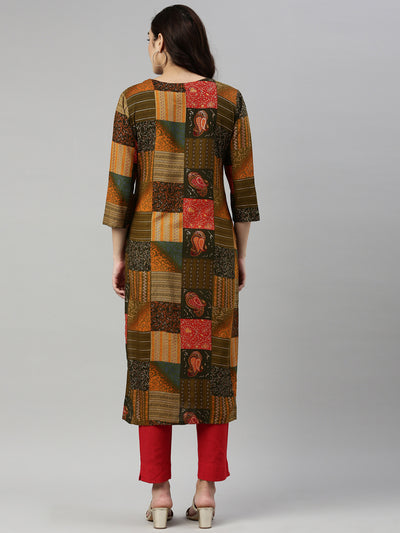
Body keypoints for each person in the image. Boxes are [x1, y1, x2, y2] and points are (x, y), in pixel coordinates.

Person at [102, 4, 260, 529]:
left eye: (149, 39)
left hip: (151, 253)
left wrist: (118, 257)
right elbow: (243, 191)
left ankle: (160, 495)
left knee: (153, 369)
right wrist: (239, 256)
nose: (148, 48)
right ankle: (207, 493)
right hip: (212, 253)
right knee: (212, 369)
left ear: (161, 42)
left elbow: (119, 189)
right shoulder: (230, 101)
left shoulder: (134, 100)